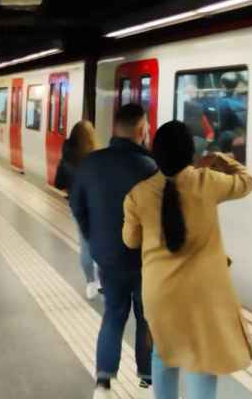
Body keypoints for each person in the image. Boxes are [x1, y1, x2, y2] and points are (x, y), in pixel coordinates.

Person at [123, 121, 252, 399]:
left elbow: (130, 241)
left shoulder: (138, 195)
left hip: (160, 295)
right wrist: (219, 157)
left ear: (155, 153)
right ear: (190, 152)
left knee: (162, 353)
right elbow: (247, 182)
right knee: (202, 361)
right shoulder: (208, 181)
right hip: (203, 297)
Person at [70, 104, 157, 397]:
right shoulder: (151, 168)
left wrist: (93, 237)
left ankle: (103, 382)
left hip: (108, 257)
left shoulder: (91, 164)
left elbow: (76, 207)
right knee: (146, 318)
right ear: (141, 131)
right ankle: (146, 380)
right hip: (145, 259)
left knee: (113, 314)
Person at [55, 120, 102, 300]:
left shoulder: (67, 157)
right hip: (97, 205)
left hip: (77, 205)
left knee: (85, 244)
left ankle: (91, 282)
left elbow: (59, 182)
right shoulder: (97, 157)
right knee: (101, 242)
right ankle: (100, 280)